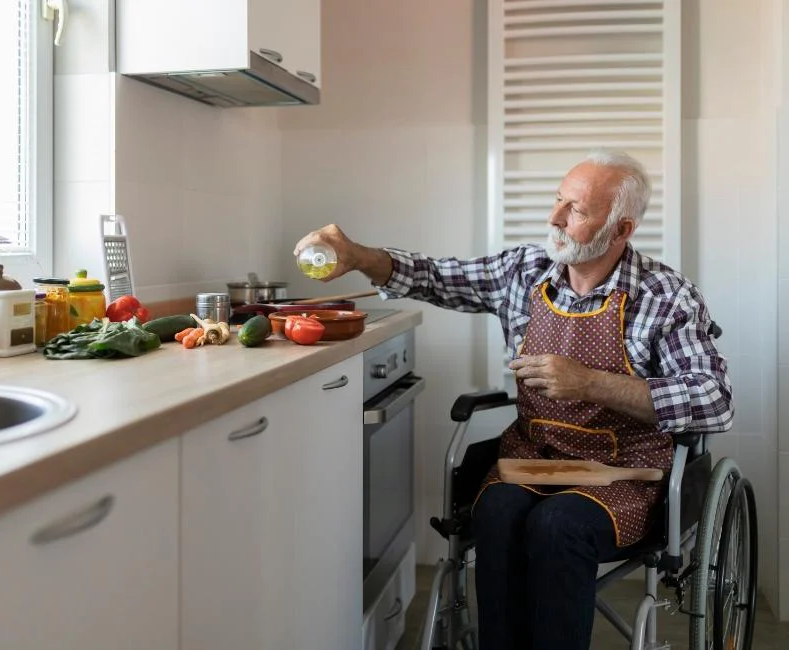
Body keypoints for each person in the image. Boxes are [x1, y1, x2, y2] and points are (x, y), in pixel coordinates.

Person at [293, 149, 733, 650]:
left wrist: (591, 383)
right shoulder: (523, 271)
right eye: (558, 200)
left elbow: (714, 399)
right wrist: (357, 255)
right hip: (532, 458)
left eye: (577, 211)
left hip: (624, 472)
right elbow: (435, 276)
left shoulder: (666, 297)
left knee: (557, 524)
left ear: (621, 230)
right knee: (497, 513)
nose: (555, 218)